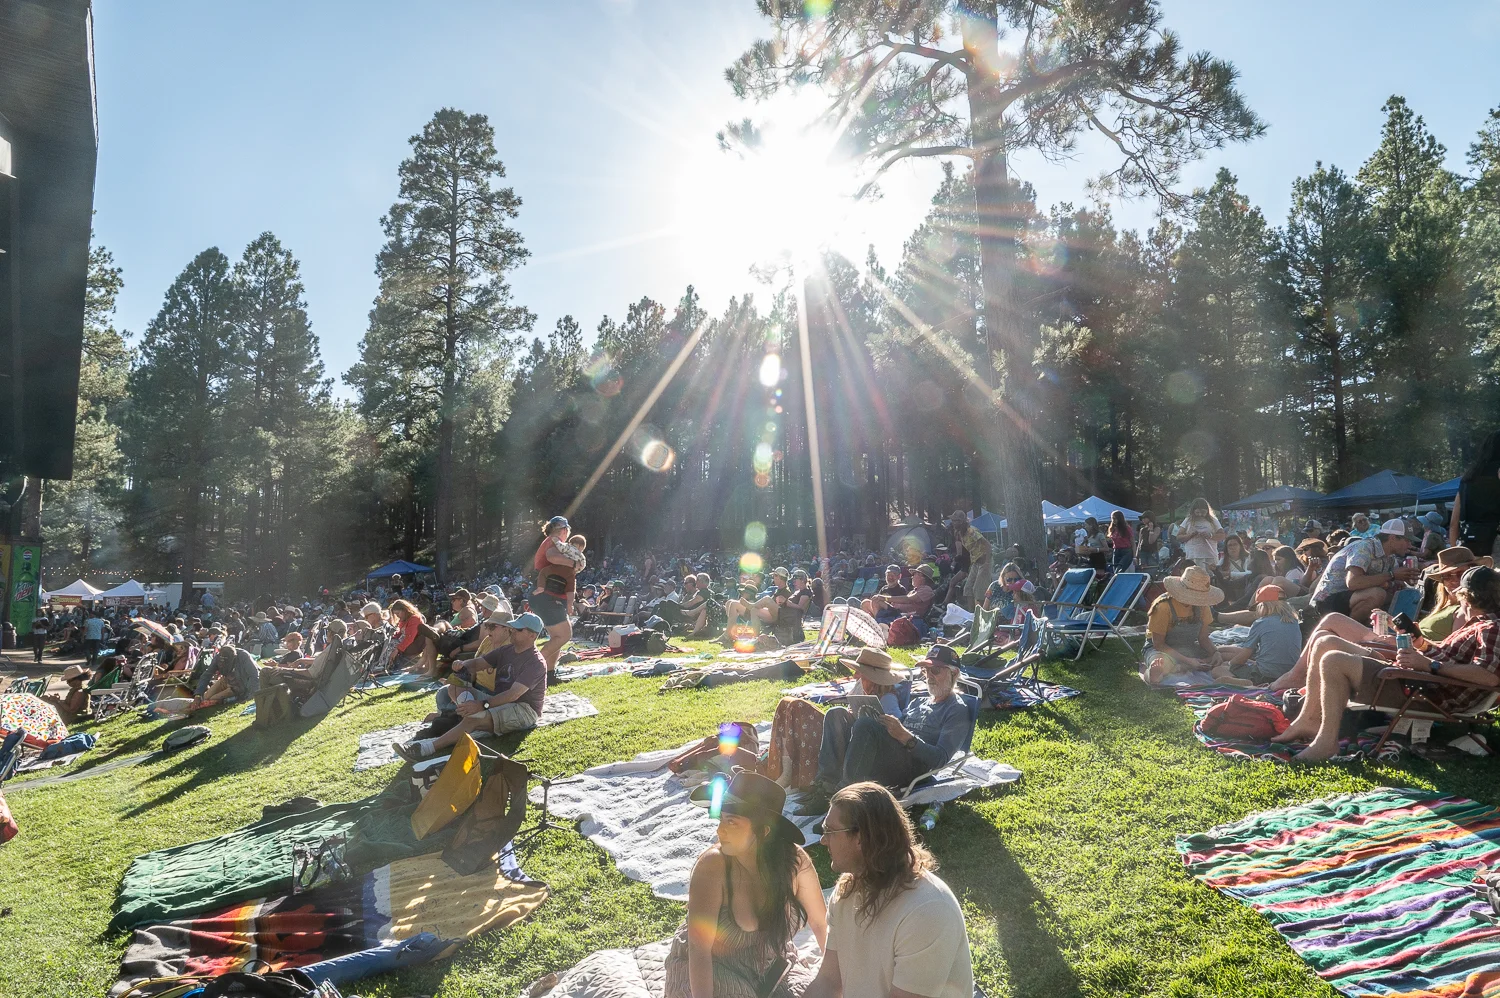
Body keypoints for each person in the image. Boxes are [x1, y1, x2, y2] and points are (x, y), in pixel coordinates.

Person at [1272, 565, 1500, 762]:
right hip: (1418, 679)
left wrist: (1430, 666)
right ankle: (1308, 720)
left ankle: (1326, 742)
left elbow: (1488, 676)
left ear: (1468, 596)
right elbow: (1447, 655)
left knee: (1333, 660)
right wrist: (1420, 644)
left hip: (1425, 691)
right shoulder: (1476, 625)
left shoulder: (1492, 628)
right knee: (1326, 641)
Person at [662, 771, 827, 998]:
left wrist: (838, 977)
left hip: (772, 964)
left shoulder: (793, 863)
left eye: (732, 822)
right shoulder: (712, 866)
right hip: (715, 967)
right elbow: (699, 950)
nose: (720, 830)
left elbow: (820, 923)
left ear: (764, 831)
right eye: (721, 819)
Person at [804, 782, 974, 998]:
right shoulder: (847, 891)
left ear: (860, 838)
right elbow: (828, 982)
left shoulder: (928, 911)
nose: (822, 840)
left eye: (830, 831)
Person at [796, 643, 970, 809]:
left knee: (866, 725)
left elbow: (939, 760)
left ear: (954, 674)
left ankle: (846, 802)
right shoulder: (920, 701)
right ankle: (825, 787)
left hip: (912, 767)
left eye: (935, 670)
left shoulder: (956, 710)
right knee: (837, 714)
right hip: (893, 755)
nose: (929, 676)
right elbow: (896, 730)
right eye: (925, 670)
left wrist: (905, 737)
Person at [395, 612, 550, 761]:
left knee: (474, 717)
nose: (513, 631)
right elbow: (479, 663)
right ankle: (473, 723)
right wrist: (463, 664)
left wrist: (481, 706)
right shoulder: (507, 650)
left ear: (532, 636)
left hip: (523, 709)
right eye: (513, 627)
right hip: (499, 701)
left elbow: (513, 695)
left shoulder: (535, 662)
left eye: (518, 629)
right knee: (454, 687)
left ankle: (427, 748)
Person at [1307, 519, 1418, 624]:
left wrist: (1400, 581)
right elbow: (1353, 583)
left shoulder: (1390, 557)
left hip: (1348, 600)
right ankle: (1347, 633)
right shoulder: (1364, 548)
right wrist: (1392, 575)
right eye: (1407, 540)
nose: (1410, 545)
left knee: (1394, 596)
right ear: (1393, 538)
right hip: (1326, 602)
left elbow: (1390, 584)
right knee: (1377, 594)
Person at [1141, 565, 1224, 684]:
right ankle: (1154, 674)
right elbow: (1158, 644)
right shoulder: (1163, 606)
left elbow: (1203, 638)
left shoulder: (1203, 606)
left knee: (1224, 653)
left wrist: (1215, 652)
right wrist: (1189, 661)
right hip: (1163, 649)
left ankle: (1181, 666)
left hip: (1188, 647)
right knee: (1161, 663)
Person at [1213, 584, 1305, 685]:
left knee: (1218, 670)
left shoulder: (1261, 622)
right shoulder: (1294, 622)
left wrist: (1230, 664)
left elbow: (1245, 655)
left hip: (1265, 675)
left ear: (1263, 605)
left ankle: (1242, 682)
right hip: (1288, 674)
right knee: (1228, 652)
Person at [532, 516, 579, 675]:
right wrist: (573, 563)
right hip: (548, 596)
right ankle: (531, 667)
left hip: (546, 596)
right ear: (565, 530)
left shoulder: (550, 541)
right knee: (565, 634)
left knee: (556, 637)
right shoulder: (554, 541)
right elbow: (552, 556)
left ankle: (549, 673)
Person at [1449, 431, 1500, 558]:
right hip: (1496, 547)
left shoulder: (1468, 478)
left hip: (1470, 545)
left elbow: (1453, 523)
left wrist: (1455, 552)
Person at [192, 643, 262, 705]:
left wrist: (250, 696)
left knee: (213, 699)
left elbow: (254, 676)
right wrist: (198, 695)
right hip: (226, 680)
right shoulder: (218, 658)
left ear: (234, 657)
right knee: (205, 697)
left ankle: (232, 697)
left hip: (240, 684)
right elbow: (207, 675)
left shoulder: (244, 656)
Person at [951, 511, 992, 611]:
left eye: (956, 521)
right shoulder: (960, 534)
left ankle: (980, 613)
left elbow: (987, 545)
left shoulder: (971, 532)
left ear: (962, 522)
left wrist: (987, 562)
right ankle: (971, 613)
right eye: (953, 520)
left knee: (978, 590)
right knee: (968, 588)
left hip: (984, 560)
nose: (954, 523)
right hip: (975, 562)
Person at [1176, 498, 1226, 569]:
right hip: (1193, 555)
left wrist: (1210, 536)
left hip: (1210, 555)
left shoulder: (1213, 521)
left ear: (1207, 511)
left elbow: (1222, 535)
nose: (1200, 515)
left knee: (1211, 577)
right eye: (1197, 512)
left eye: (1203, 512)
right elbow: (1178, 537)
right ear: (1193, 511)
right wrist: (1190, 535)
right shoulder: (1188, 521)